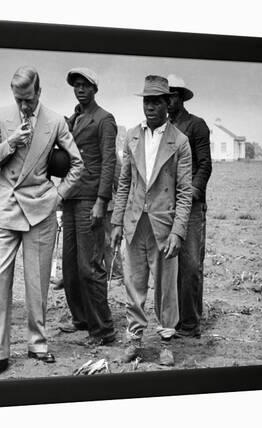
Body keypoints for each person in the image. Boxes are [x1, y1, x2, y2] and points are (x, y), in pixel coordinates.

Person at [0, 66, 83, 381]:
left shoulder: (56, 121)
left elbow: (77, 163)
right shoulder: (0, 117)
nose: (23, 106)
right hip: (6, 210)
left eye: (28, 99)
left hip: (41, 210)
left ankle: (37, 343)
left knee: (37, 283)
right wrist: (12, 143)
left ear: (39, 93)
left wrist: (58, 196)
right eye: (18, 99)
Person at [110, 75, 192, 366]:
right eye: (146, 101)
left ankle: (166, 343)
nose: (150, 107)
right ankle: (134, 341)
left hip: (164, 225)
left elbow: (184, 192)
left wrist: (178, 232)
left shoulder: (179, 142)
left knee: (166, 288)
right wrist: (117, 224)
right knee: (133, 284)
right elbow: (124, 184)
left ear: (168, 104)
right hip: (135, 223)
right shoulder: (132, 136)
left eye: (156, 101)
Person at [58, 68, 117, 346]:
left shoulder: (104, 119)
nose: (80, 89)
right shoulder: (74, 118)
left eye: (85, 85)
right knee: (70, 266)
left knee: (90, 266)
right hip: (70, 197)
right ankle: (81, 318)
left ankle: (103, 329)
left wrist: (101, 202)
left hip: (90, 200)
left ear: (95, 89)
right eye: (76, 85)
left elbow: (109, 162)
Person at [167, 74, 212, 338]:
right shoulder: (161, 127)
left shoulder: (196, 125)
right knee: (169, 264)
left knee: (191, 264)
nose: (168, 99)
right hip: (166, 204)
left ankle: (191, 323)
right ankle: (172, 319)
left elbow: (205, 164)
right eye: (165, 95)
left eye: (173, 94)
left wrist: (191, 193)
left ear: (182, 97)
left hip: (192, 206)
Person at [103, 141, 124, 283]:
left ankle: (115, 273)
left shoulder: (111, 153)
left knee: (109, 240)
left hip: (108, 204)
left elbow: (119, 180)